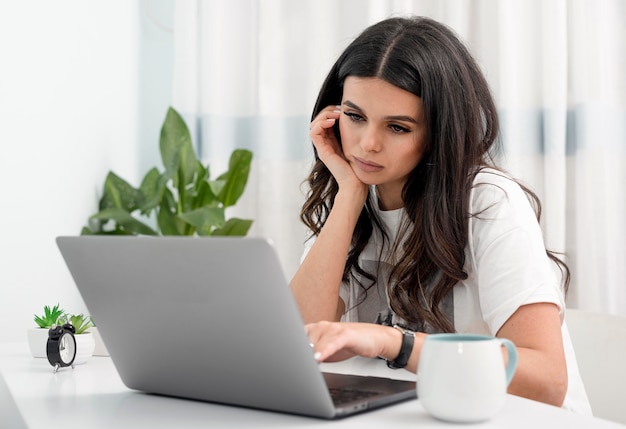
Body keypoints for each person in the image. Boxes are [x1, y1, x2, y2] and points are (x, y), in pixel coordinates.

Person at [289, 16, 591, 413]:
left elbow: (546, 381)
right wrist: (349, 194)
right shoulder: (348, 195)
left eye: (397, 127)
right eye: (355, 116)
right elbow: (298, 344)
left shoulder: (488, 202)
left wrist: (392, 342)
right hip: (408, 416)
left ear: (439, 130)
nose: (367, 144)